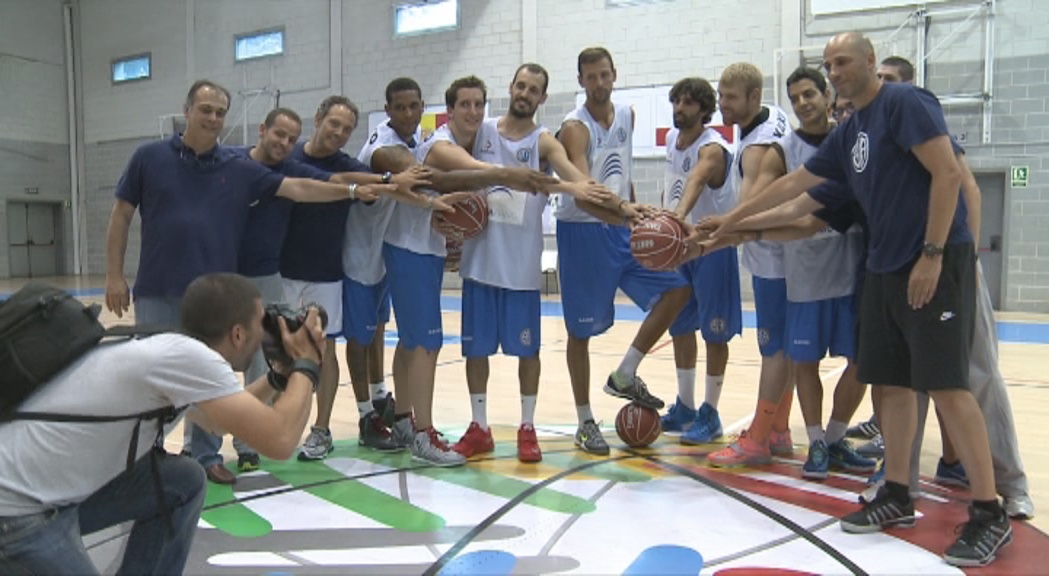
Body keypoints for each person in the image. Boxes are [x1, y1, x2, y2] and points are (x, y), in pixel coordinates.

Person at [708, 32, 1011, 568]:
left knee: (946, 385)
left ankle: (990, 512)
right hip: (883, 269)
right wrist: (734, 226)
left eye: (843, 61)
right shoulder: (849, 136)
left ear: (870, 61)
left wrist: (934, 253)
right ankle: (897, 492)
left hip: (931, 264)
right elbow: (801, 199)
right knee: (891, 385)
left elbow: (947, 173)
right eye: (830, 64)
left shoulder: (902, 103)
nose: (836, 70)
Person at [104, 80, 394, 464]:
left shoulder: (237, 168)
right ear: (186, 110)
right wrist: (113, 276)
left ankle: (206, 459)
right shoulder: (149, 157)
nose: (212, 118)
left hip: (211, 298)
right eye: (205, 109)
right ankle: (144, 456)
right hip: (158, 288)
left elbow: (302, 188)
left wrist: (356, 192)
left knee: (209, 377)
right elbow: (121, 214)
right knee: (152, 378)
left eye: (219, 112)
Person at [0, 273, 325, 574]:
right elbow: (280, 440)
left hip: (49, 492)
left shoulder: (170, 351)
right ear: (238, 334)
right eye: (261, 324)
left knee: (183, 481)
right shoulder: (192, 360)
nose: (264, 336)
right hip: (17, 511)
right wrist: (307, 362)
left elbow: (216, 424)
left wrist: (279, 377)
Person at [420, 65, 618, 463]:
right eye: (521, 85)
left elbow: (571, 176)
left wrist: (610, 201)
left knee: (528, 354)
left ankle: (528, 428)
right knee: (476, 352)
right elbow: (446, 151)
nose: (526, 93)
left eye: (535, 90)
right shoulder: (483, 131)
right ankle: (479, 427)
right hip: (479, 263)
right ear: (510, 88)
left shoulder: (544, 142)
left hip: (522, 268)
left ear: (543, 98)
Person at [281, 95, 431, 461]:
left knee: (326, 352)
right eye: (334, 124)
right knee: (279, 356)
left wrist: (430, 200)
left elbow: (373, 185)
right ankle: (273, 427)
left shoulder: (349, 164)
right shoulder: (288, 158)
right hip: (282, 271)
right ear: (317, 118)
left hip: (327, 273)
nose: (339, 133)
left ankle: (322, 429)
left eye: (347, 128)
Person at [557, 47, 691, 455]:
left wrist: (633, 213)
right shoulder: (574, 129)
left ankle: (625, 372)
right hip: (583, 233)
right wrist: (624, 210)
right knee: (579, 332)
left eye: (604, 75)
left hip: (621, 228)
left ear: (615, 74)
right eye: (590, 77)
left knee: (678, 289)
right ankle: (585, 422)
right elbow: (583, 194)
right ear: (580, 81)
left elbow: (623, 172)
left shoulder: (628, 116)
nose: (599, 83)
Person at [706, 62, 794, 467]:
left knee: (774, 349)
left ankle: (758, 437)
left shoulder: (759, 147)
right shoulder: (772, 117)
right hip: (782, 253)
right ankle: (779, 429)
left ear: (753, 96)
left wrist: (699, 242)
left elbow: (745, 212)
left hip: (774, 258)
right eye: (720, 95)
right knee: (787, 349)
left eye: (730, 97)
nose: (721, 104)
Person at [656, 77, 741, 447]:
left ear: (704, 110)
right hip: (682, 249)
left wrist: (673, 219)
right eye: (677, 101)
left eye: (689, 103)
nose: (680, 108)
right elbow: (672, 186)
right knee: (680, 327)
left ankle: (711, 411)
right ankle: (686, 406)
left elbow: (694, 182)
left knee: (714, 332)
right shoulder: (672, 144)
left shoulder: (713, 148)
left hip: (712, 249)